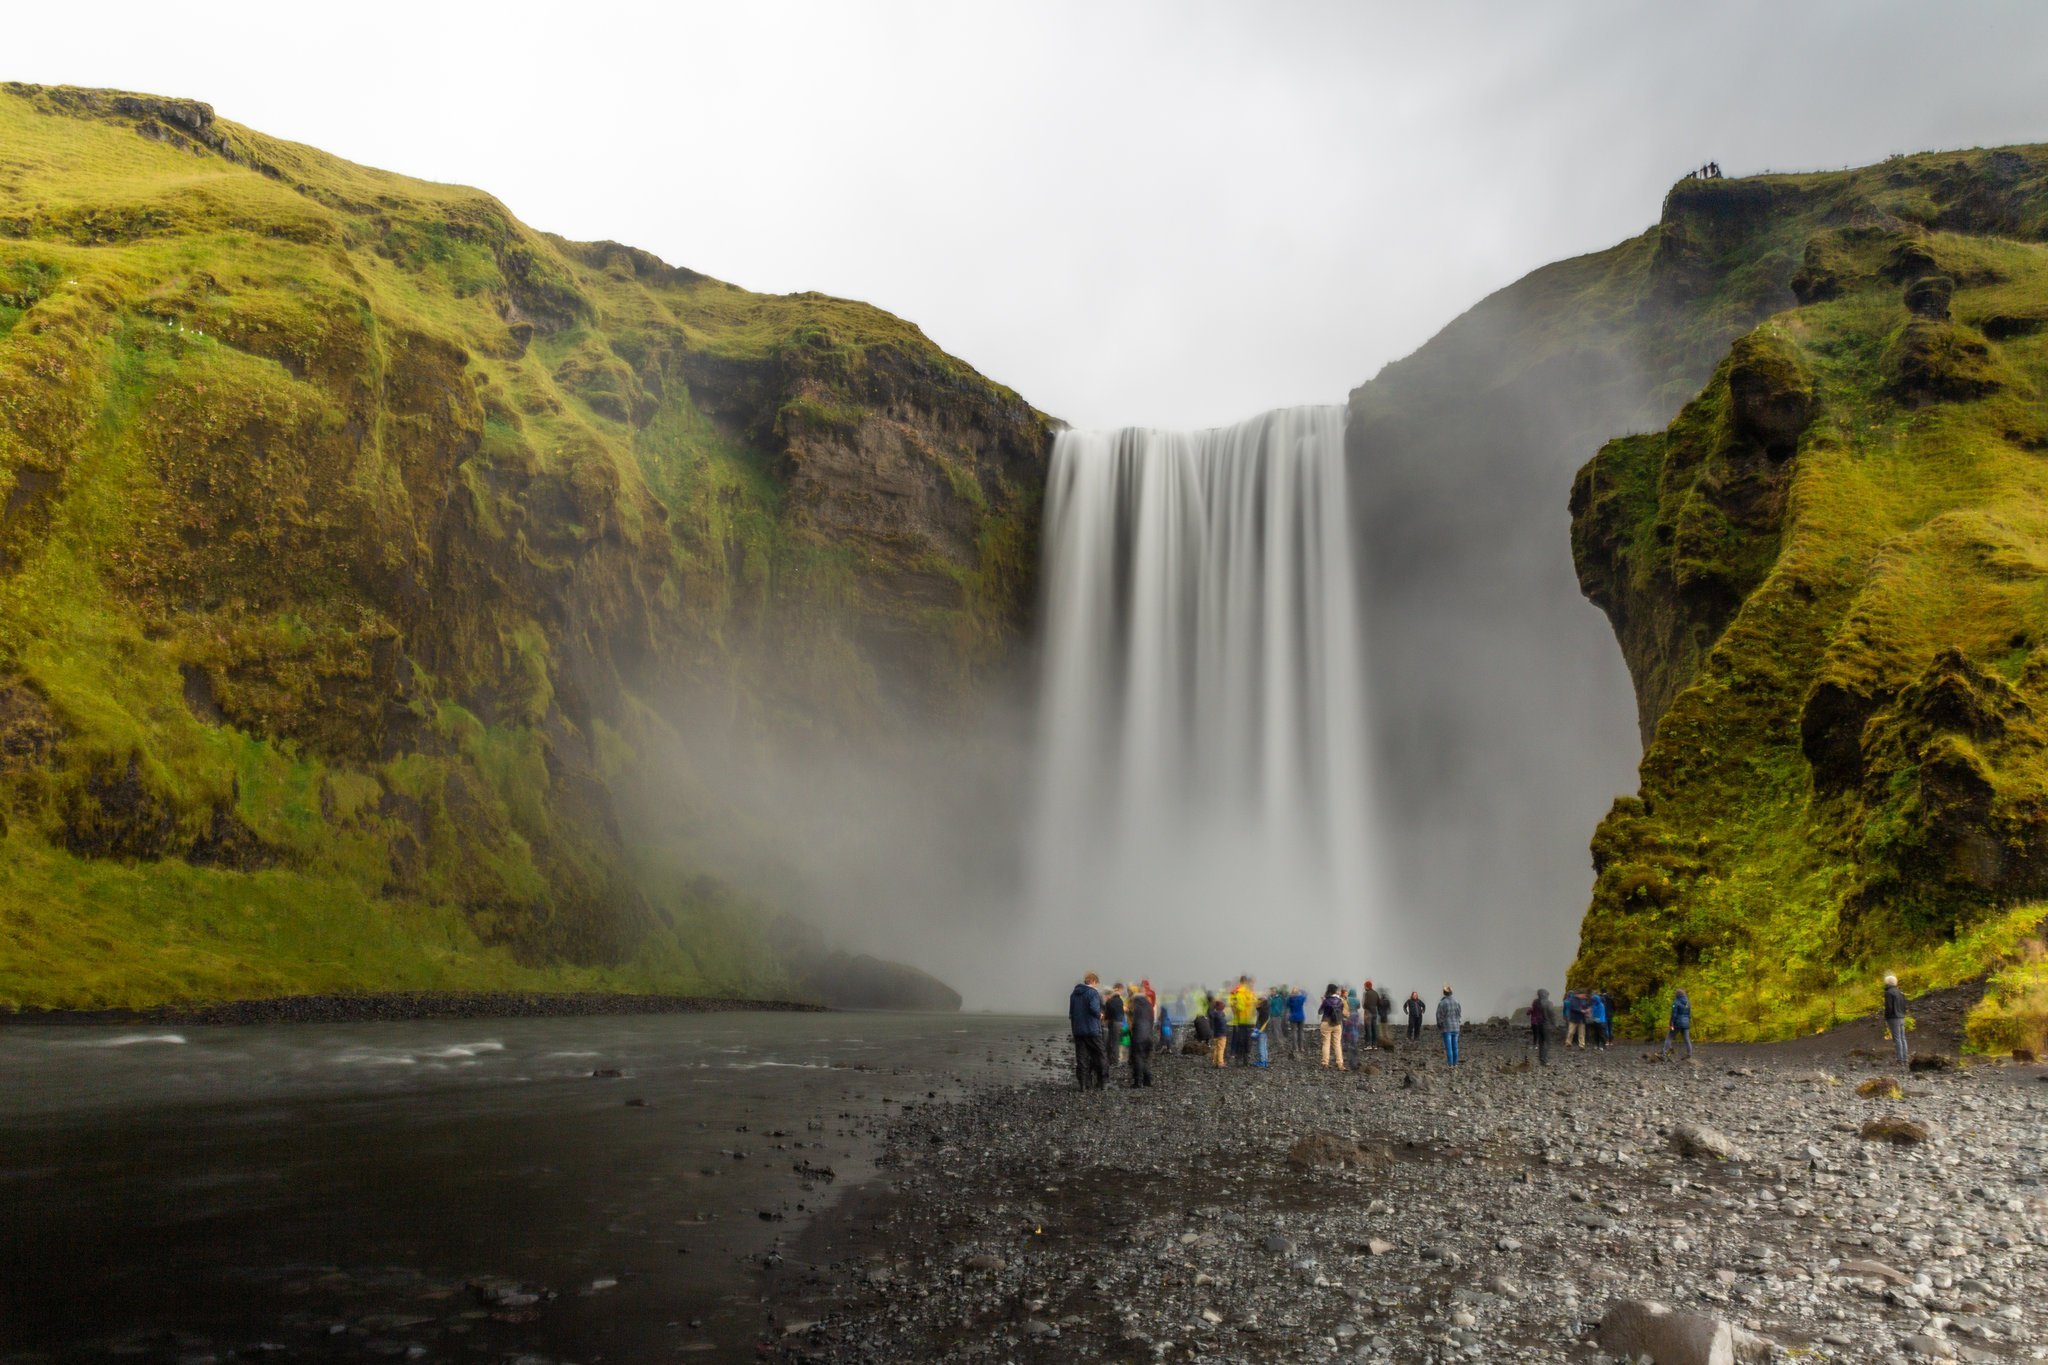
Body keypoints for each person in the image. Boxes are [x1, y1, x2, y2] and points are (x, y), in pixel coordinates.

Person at [1068, 972, 1106, 1091]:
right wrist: (1100, 1014)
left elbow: (1071, 1013)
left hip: (1078, 1030)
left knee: (1082, 1058)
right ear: (1094, 982)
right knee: (1100, 1056)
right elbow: (1094, 1008)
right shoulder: (1093, 993)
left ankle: (1083, 1085)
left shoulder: (1073, 994)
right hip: (1092, 1030)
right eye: (1097, 983)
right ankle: (1103, 1083)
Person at [1127, 985, 1156, 1088]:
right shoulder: (1148, 1004)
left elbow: (1131, 1021)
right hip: (1149, 1035)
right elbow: (1152, 1020)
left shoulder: (1134, 1004)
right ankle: (1148, 1080)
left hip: (1139, 1035)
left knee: (1138, 1057)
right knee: (1146, 1058)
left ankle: (1138, 1081)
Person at [1228, 976, 1257, 1067]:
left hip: (1240, 1020)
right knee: (1247, 1041)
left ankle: (1238, 1059)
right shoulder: (1250, 992)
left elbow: (1237, 1006)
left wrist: (1236, 1008)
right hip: (1250, 1021)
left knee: (1239, 1040)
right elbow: (1255, 1004)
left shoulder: (1236, 992)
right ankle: (1246, 1060)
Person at [1318, 983, 1348, 1069]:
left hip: (1326, 1022)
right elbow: (1342, 1012)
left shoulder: (1326, 1001)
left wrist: (1322, 1001)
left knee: (1326, 1043)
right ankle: (1340, 1064)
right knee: (1337, 1044)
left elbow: (1320, 1012)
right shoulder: (1340, 1001)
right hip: (1337, 1024)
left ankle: (1325, 1063)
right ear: (1335, 991)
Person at [1883, 973, 1909, 1068]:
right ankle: (1905, 1058)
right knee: (1903, 1038)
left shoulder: (1888, 993)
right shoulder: (1900, 992)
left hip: (1893, 1017)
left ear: (1887, 982)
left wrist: (1886, 1017)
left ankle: (1900, 1060)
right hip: (1901, 1017)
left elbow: (1888, 1007)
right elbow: (1904, 1005)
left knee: (1897, 1039)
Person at [1662, 987, 1693, 1060]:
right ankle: (1689, 1054)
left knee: (1669, 1037)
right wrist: (1688, 1022)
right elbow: (1689, 1014)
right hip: (1686, 1023)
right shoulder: (1688, 1002)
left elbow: (1674, 1015)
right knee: (1687, 1039)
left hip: (1677, 1023)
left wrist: (1671, 1023)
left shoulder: (1676, 1002)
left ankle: (1664, 1053)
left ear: (1677, 995)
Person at [1436, 984, 1462, 1066]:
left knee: (1449, 1048)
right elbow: (1459, 1014)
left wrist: (1440, 1025)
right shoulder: (1456, 1002)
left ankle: (1450, 1064)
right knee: (1455, 1047)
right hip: (1456, 1027)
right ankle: (1455, 1063)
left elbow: (1439, 1015)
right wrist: (1458, 1021)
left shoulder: (1442, 1003)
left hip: (1447, 1028)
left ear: (1444, 993)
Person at [1102, 983, 1127, 1068]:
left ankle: (1113, 1061)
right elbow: (1121, 1012)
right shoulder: (1119, 1000)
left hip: (1114, 1022)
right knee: (1115, 1042)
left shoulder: (1111, 1001)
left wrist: (1105, 1019)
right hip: (1120, 1022)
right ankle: (1114, 1060)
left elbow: (1109, 1013)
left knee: (1113, 1042)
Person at [1529, 988, 1553, 1065]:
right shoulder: (1549, 1003)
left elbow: (1532, 1011)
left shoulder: (1535, 1002)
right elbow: (1551, 1015)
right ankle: (1544, 1059)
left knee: (1540, 1041)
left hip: (1537, 1023)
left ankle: (1541, 1057)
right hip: (1546, 1024)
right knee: (1547, 1042)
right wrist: (1553, 1024)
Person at [1286, 984, 1308, 1057]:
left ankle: (1295, 1048)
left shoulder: (1290, 999)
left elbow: (1286, 1005)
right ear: (1297, 992)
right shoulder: (1301, 998)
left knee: (1294, 1032)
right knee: (1301, 1032)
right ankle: (1301, 1047)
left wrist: (1290, 995)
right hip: (1301, 1016)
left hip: (1293, 1017)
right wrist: (1301, 990)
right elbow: (1306, 994)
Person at [1207, 994, 1229, 1068]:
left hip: (1215, 1033)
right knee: (1221, 1048)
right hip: (1222, 1034)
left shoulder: (1213, 1014)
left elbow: (1210, 1013)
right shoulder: (1221, 1014)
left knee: (1215, 1048)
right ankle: (1220, 1062)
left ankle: (1214, 1062)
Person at [1360, 980, 1383, 1052]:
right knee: (1374, 1028)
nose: (1364, 987)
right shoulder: (1376, 993)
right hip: (1374, 1012)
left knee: (1368, 1029)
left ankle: (1368, 1045)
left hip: (1368, 1012)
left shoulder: (1367, 993)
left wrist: (1364, 1007)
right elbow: (1379, 1003)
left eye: (1364, 986)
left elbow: (1365, 1003)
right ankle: (1374, 1045)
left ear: (1367, 986)